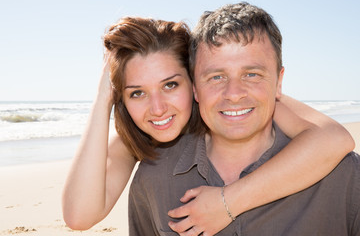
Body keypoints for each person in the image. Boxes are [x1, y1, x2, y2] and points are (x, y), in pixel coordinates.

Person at [62, 16, 355, 234]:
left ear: (193, 82)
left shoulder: (235, 100)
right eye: (137, 92)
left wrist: (227, 203)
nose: (158, 108)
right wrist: (103, 97)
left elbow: (332, 138)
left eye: (170, 85)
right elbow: (78, 216)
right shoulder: (140, 140)